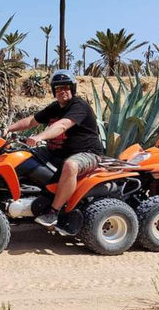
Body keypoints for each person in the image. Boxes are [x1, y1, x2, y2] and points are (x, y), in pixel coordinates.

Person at [6, 69, 104, 227]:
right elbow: (32, 121)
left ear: (72, 88)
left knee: (71, 166)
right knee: (22, 155)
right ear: (53, 91)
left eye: (65, 87)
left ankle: (54, 212)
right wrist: (8, 129)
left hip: (87, 153)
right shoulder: (55, 107)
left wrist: (39, 137)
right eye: (58, 88)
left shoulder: (79, 106)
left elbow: (62, 125)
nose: (62, 91)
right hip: (55, 152)